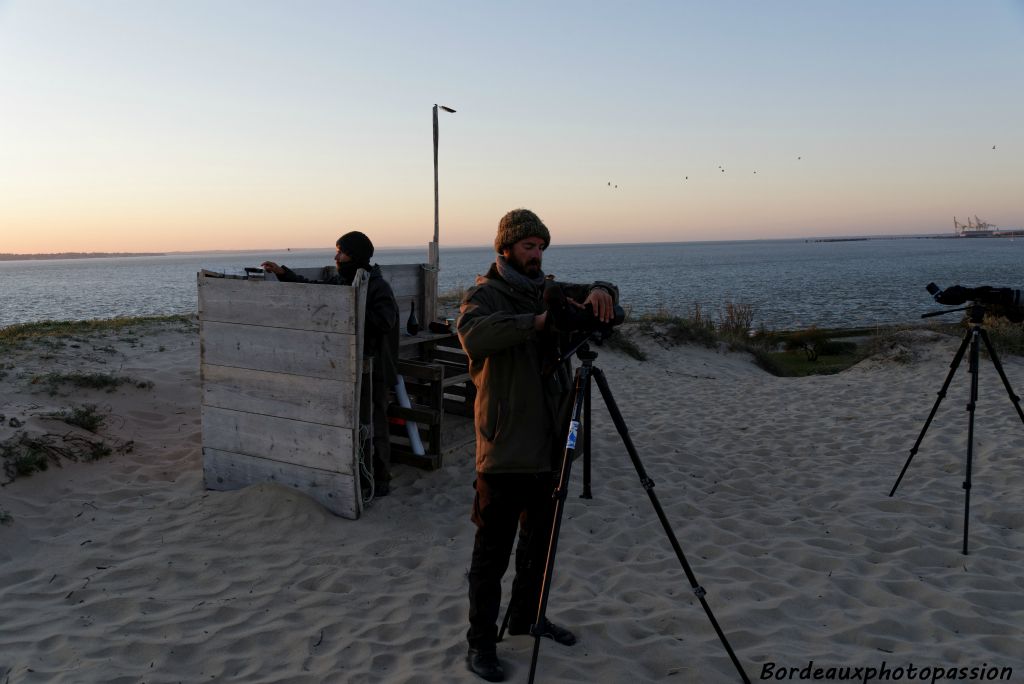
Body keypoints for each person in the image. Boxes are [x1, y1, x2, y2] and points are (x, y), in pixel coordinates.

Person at [456, 208, 617, 682]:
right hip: (504, 449)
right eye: (529, 246)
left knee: (540, 546)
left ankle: (528, 616)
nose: (537, 254)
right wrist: (537, 323)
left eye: (542, 246)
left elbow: (597, 295)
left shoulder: (546, 287)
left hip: (551, 445)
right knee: (492, 553)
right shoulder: (484, 295)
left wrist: (602, 290)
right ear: (505, 248)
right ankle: (481, 643)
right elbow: (473, 337)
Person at [261, 231, 400, 497]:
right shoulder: (344, 280)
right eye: (337, 252)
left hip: (377, 368)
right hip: (351, 366)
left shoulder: (378, 286)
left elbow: (386, 321)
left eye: (342, 252)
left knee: (376, 423)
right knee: (355, 425)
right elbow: (316, 289)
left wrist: (351, 307)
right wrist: (283, 273)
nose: (336, 257)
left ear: (356, 256)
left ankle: (381, 479)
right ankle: (358, 475)